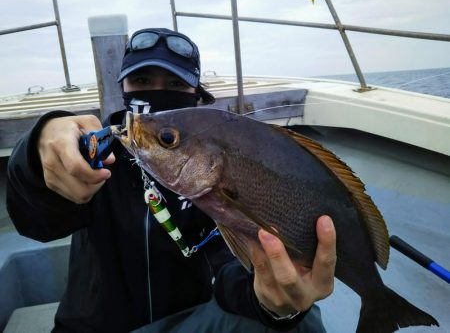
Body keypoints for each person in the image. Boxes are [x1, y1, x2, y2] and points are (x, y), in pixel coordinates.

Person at [6, 28, 336, 332]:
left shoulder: (219, 161)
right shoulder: (94, 154)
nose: (157, 93)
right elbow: (36, 221)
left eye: (176, 84)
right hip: (94, 327)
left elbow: (232, 268)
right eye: (141, 79)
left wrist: (271, 302)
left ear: (196, 95)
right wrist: (37, 152)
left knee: (302, 323)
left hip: (186, 323)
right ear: (123, 88)